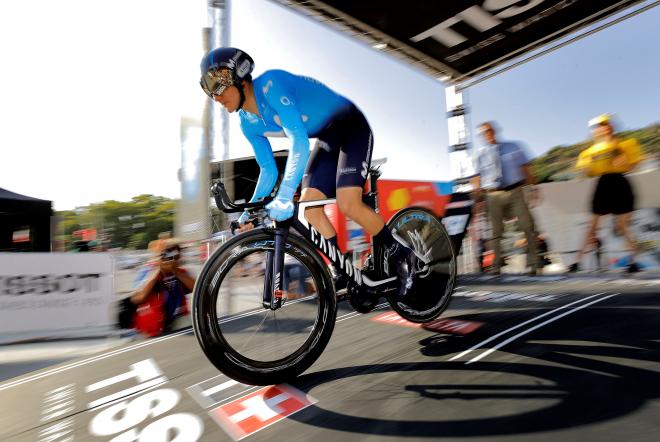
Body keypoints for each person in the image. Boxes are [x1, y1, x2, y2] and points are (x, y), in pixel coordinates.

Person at [199, 47, 416, 297]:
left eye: (218, 84)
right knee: (310, 208)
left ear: (240, 75)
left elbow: (299, 141)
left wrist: (285, 194)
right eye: (208, 89)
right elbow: (268, 171)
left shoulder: (271, 84)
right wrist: (247, 213)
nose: (215, 96)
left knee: (348, 204)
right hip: (328, 137)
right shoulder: (247, 124)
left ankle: (403, 255)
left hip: (351, 125)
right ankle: (343, 270)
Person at [568, 114, 643, 273]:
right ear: (595, 130)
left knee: (622, 227)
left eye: (606, 124)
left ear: (611, 126)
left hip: (621, 183)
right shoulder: (588, 152)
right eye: (599, 126)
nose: (603, 128)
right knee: (592, 226)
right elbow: (586, 172)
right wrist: (585, 170)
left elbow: (634, 165)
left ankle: (635, 261)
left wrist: (624, 162)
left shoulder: (626, 144)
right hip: (603, 184)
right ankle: (577, 262)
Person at [471, 122, 540, 276]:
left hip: (515, 191)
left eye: (489, 130)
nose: (487, 134)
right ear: (482, 136)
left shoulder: (514, 146)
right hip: (492, 195)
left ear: (495, 131)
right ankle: (496, 267)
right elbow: (476, 178)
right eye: (484, 132)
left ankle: (534, 264)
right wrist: (477, 200)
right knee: (495, 232)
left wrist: (533, 188)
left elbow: (526, 169)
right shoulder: (479, 155)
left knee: (527, 226)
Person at [128, 241, 196, 336]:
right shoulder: (148, 271)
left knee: (188, 327)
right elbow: (137, 298)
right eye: (167, 255)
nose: (171, 260)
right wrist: (157, 271)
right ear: (159, 256)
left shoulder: (182, 272)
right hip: (153, 323)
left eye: (176, 256)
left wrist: (176, 271)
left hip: (178, 320)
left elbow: (196, 288)